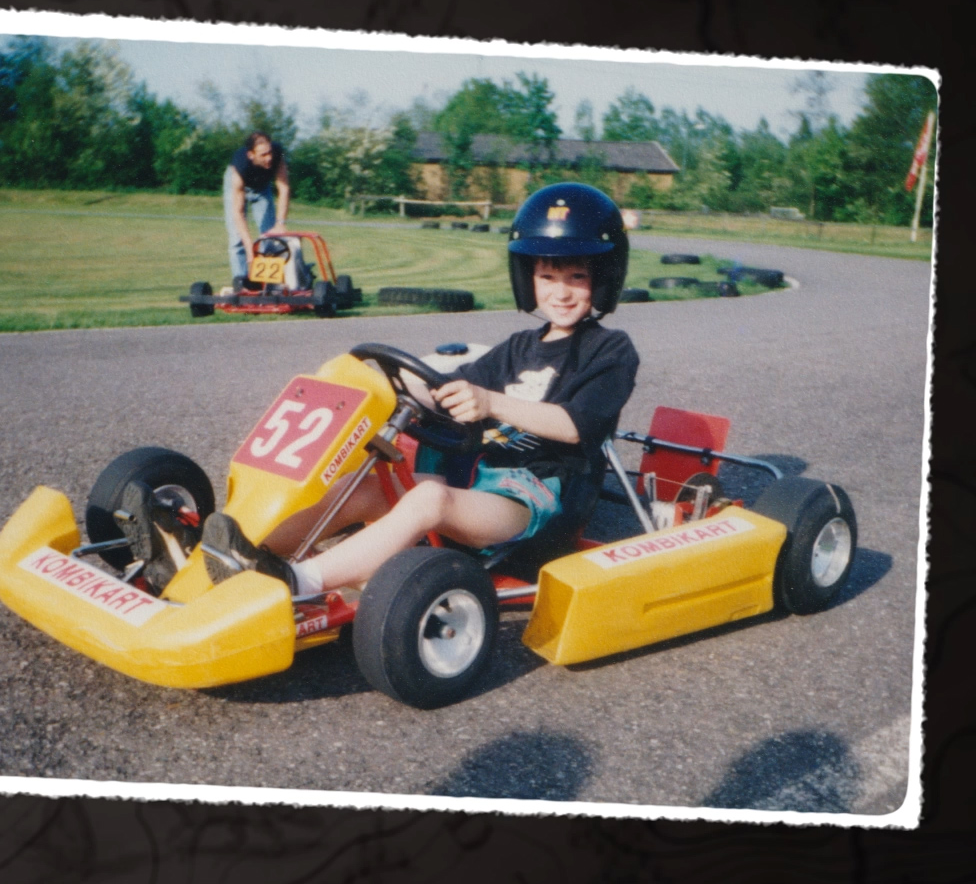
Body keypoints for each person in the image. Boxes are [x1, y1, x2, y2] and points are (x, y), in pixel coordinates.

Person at [134, 182, 639, 598]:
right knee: (362, 485)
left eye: (576, 276)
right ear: (529, 279)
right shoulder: (517, 348)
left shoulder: (609, 350)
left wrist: (490, 402)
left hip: (538, 504)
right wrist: (394, 384)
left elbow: (576, 427)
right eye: (548, 276)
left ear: (603, 278)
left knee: (429, 498)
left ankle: (298, 581)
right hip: (481, 489)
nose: (561, 291)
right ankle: (224, 557)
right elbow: (449, 390)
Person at [223, 132, 309, 288]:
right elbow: (238, 212)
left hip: (262, 188)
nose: (269, 158)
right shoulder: (240, 166)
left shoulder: (277, 154)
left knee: (270, 237)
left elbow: (284, 189)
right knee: (237, 240)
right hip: (238, 186)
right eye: (263, 155)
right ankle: (242, 284)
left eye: (269, 153)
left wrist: (280, 223)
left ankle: (269, 285)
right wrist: (249, 247)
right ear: (251, 155)